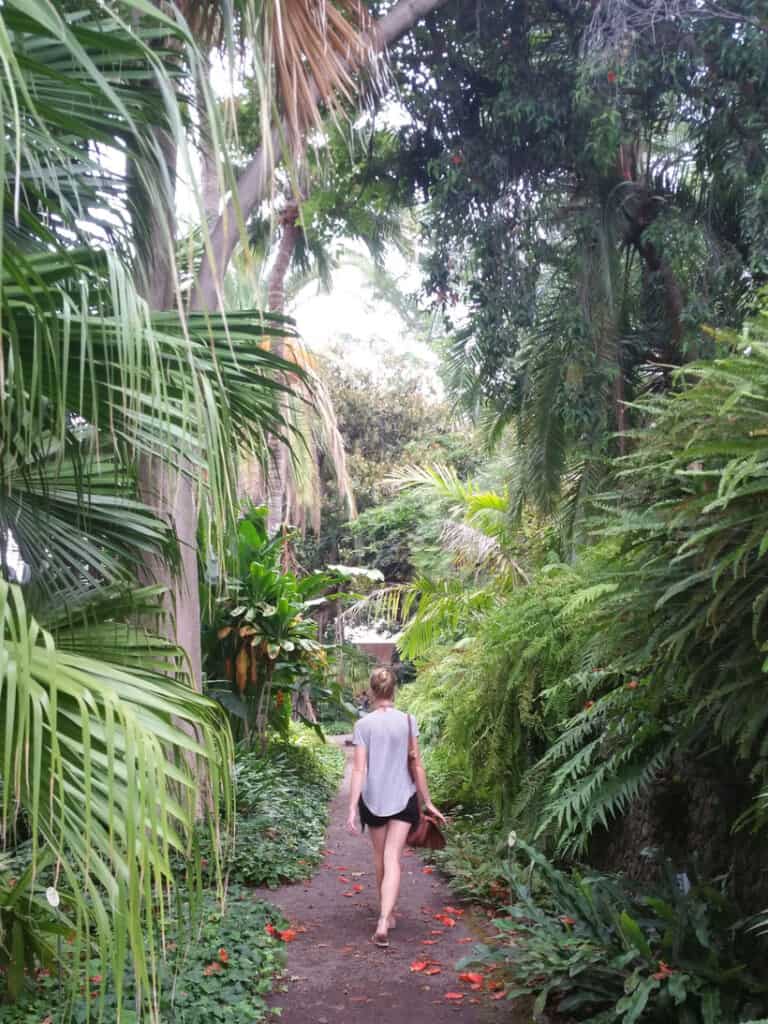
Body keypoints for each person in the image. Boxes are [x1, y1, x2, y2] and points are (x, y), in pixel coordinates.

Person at [346, 666, 446, 947]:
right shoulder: (408, 720)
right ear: (394, 690)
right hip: (403, 798)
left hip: (374, 799)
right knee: (393, 858)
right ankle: (384, 918)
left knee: (380, 858)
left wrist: (353, 807)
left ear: (371, 691)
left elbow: (358, 769)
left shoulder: (363, 725)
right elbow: (416, 762)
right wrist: (427, 801)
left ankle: (385, 914)